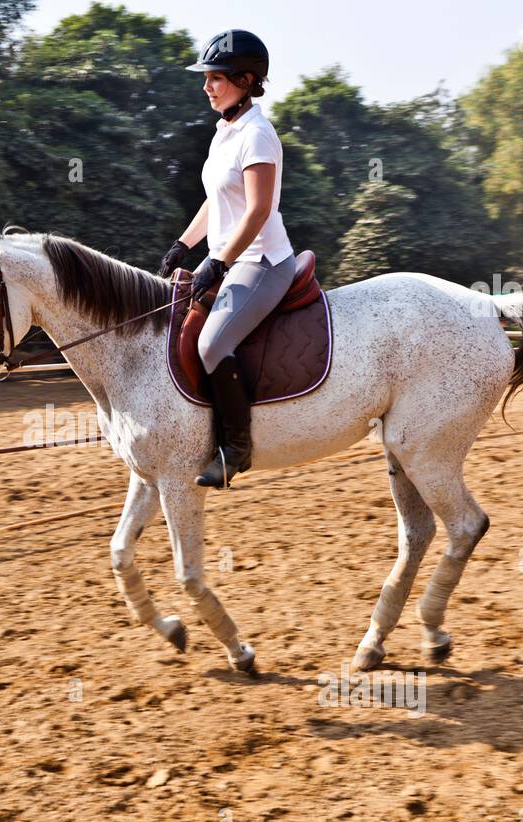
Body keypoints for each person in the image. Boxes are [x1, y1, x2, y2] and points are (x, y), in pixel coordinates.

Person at [157, 29, 297, 489]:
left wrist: (216, 261)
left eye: (215, 77)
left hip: (263, 262)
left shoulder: (257, 134)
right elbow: (216, 202)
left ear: (246, 78)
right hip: (231, 258)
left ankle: (236, 448)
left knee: (212, 344)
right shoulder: (225, 132)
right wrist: (184, 244)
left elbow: (258, 210)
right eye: (207, 77)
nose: (207, 85)